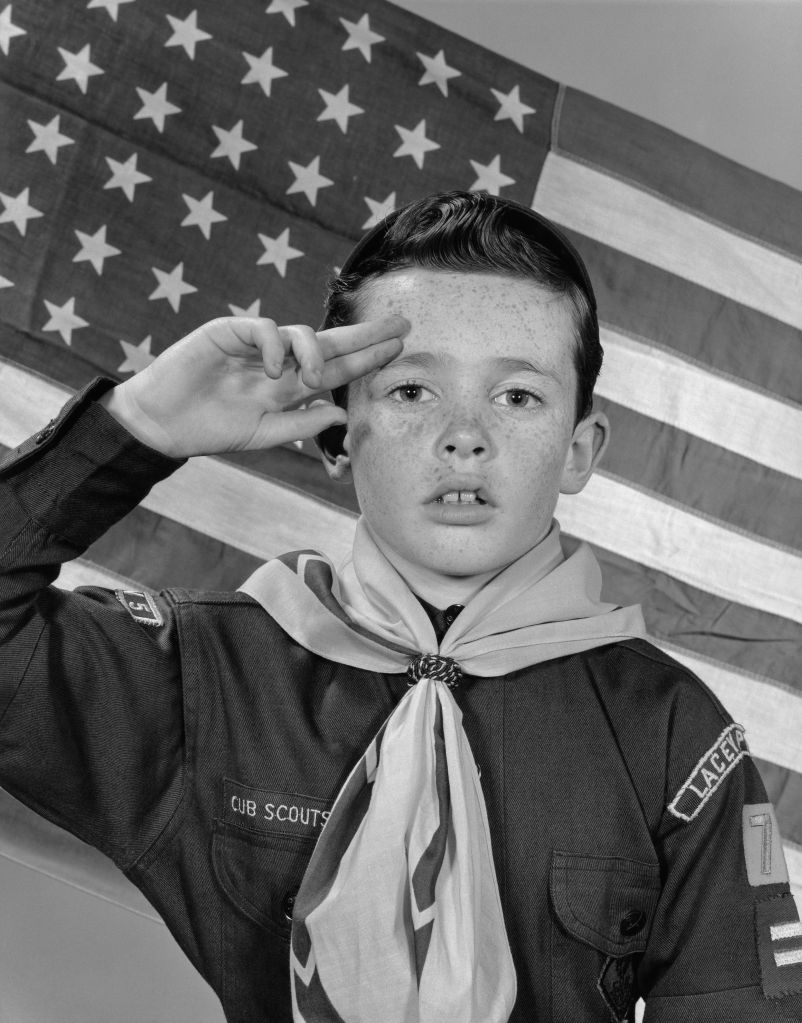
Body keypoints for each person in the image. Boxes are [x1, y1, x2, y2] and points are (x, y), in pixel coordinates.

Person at [0, 190, 799, 1023]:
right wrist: (138, 425)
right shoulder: (205, 677)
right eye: (414, 390)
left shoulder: (671, 735)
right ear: (338, 433)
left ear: (580, 448)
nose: (465, 436)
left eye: (517, 397)